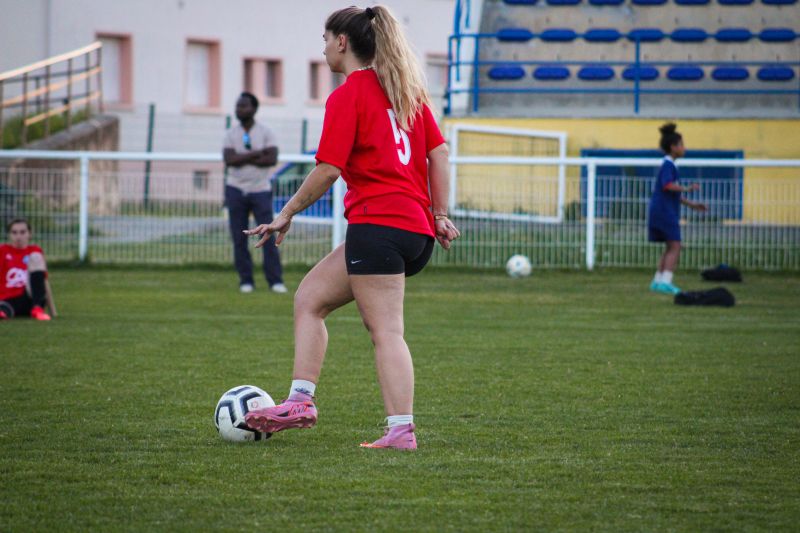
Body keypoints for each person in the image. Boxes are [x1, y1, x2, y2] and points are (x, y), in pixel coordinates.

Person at [243, 5, 460, 450]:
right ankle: (300, 401)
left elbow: (328, 169)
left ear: (342, 42)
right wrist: (439, 215)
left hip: (377, 226)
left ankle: (401, 430)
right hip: (416, 231)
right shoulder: (406, 90)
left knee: (386, 332)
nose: (323, 48)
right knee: (309, 299)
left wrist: (287, 213)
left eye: (325, 39)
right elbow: (438, 154)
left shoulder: (348, 95)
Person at [223, 92, 287, 294]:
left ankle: (275, 281)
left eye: (243, 106)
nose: (239, 110)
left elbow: (271, 159)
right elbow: (230, 160)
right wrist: (257, 153)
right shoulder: (230, 134)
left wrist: (242, 157)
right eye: (238, 106)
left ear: (254, 109)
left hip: (260, 190)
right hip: (235, 189)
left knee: (268, 234)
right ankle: (246, 281)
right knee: (239, 237)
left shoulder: (266, 132)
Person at [648, 123, 707, 295]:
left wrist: (692, 205)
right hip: (664, 211)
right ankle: (666, 282)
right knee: (676, 245)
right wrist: (687, 188)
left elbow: (671, 193)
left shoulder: (669, 164)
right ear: (673, 147)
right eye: (681, 144)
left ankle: (657, 281)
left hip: (661, 209)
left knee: (670, 246)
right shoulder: (668, 165)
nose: (684, 148)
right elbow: (667, 185)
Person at [0, 218, 54, 321]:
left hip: (29, 297)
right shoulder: (3, 250)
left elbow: (43, 280)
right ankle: (3, 312)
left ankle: (37, 309)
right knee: (4, 307)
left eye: (22, 232)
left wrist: (52, 309)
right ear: (9, 235)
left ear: (29, 234)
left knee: (36, 256)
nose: (18, 236)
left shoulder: (35, 250)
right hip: (7, 299)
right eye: (14, 232)